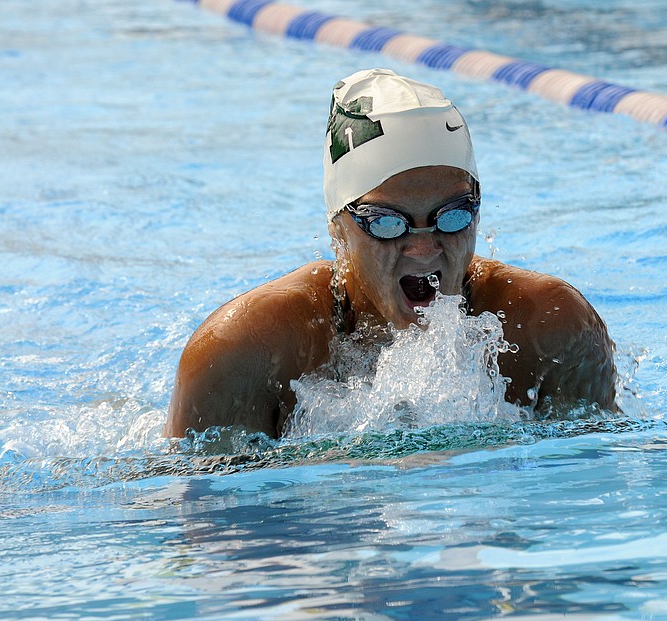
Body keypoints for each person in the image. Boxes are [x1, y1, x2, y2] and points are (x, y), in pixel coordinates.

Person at [165, 68, 617, 439]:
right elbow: (202, 511)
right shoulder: (246, 350)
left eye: (453, 215)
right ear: (338, 229)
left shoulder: (551, 329)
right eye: (386, 222)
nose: (423, 247)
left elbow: (592, 486)